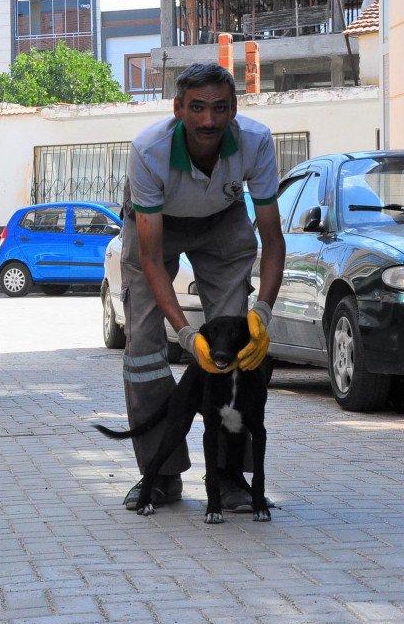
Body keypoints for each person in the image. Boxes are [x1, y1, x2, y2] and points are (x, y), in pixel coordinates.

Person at [118, 62, 284, 512]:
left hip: (223, 221)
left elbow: (273, 240)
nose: (208, 120)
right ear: (178, 109)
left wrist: (263, 313)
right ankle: (161, 475)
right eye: (197, 108)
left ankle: (228, 476)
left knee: (236, 344)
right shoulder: (149, 150)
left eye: (219, 108)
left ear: (234, 109)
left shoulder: (256, 142)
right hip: (156, 223)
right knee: (144, 349)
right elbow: (151, 259)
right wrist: (187, 334)